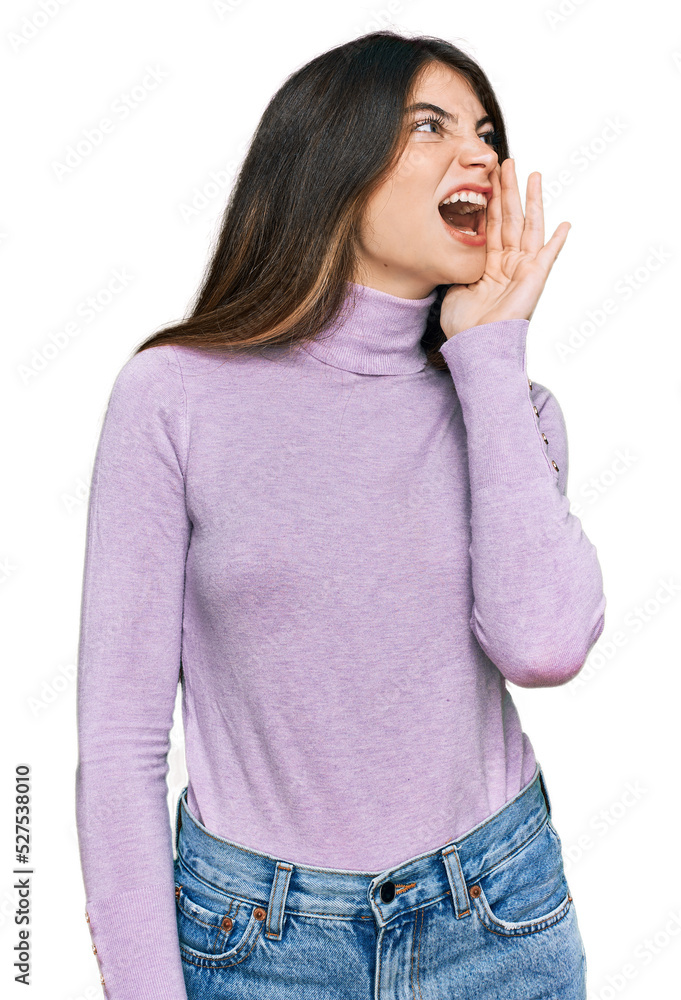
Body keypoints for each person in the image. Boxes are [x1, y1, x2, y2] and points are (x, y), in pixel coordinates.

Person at [75, 30, 606, 999]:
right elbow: (119, 745)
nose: (479, 155)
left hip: (497, 918)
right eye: (431, 126)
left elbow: (545, 645)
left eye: (488, 131)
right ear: (333, 160)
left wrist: (490, 357)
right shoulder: (173, 397)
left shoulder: (513, 414)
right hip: (257, 942)